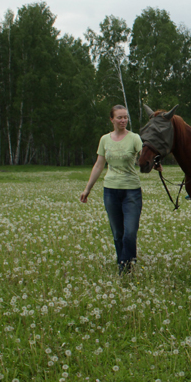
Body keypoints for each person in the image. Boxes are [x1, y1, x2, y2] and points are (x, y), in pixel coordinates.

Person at [80, 105, 143, 274]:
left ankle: (125, 264)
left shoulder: (135, 138)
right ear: (112, 119)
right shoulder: (105, 140)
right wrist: (87, 189)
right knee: (117, 233)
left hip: (132, 191)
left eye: (125, 118)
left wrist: (156, 164)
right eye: (119, 118)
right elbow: (99, 165)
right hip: (110, 190)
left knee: (130, 232)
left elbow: (145, 156)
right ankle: (125, 266)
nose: (123, 121)